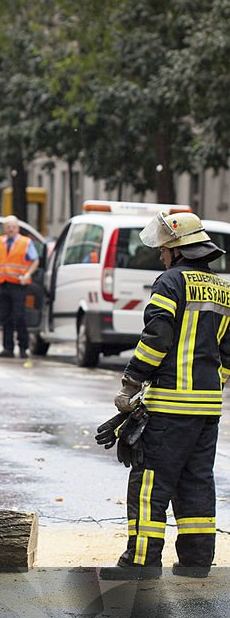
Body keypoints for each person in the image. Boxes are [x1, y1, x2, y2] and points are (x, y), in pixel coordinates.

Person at [101, 210, 230, 580]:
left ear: (178, 248)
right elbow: (228, 354)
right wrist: (210, 386)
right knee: (196, 482)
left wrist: (130, 385)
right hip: (207, 408)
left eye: (164, 248)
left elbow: (156, 339)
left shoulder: (171, 283)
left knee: (149, 484)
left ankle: (140, 562)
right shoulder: (222, 288)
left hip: (170, 406)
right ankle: (196, 561)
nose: (160, 255)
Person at [0, 216, 39, 358]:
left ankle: (23, 347)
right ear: (4, 229)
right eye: (8, 227)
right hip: (3, 283)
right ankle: (8, 348)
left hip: (18, 284)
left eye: (13, 227)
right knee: (6, 316)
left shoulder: (26, 242)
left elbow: (35, 260)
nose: (10, 229)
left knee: (19, 316)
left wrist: (27, 274)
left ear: (17, 228)